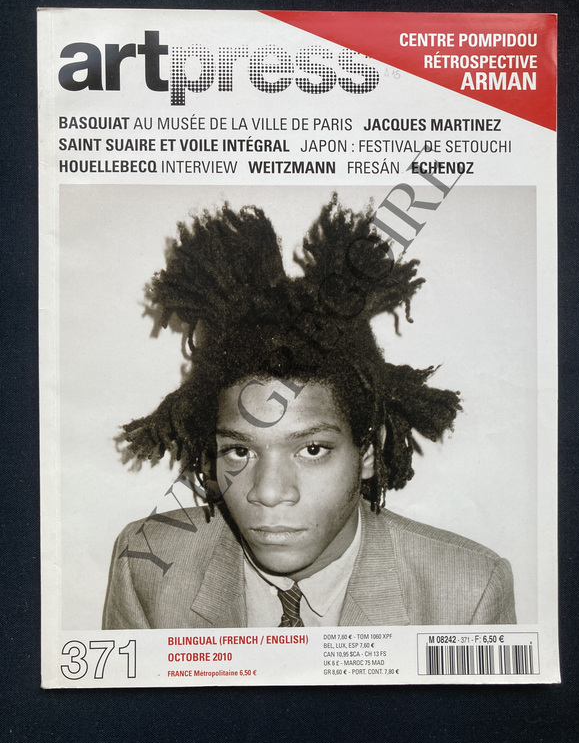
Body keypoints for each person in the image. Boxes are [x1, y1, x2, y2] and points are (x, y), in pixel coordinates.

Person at [103, 194, 516, 629]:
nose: (269, 493)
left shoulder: (468, 595)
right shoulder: (147, 567)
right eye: (240, 451)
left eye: (312, 449)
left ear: (368, 451)